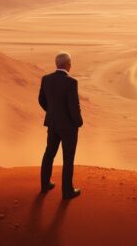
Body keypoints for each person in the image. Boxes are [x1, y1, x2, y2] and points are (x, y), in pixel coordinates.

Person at [39, 52, 83, 200]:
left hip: (52, 124)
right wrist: (78, 122)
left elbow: (41, 100)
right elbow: (74, 106)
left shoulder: (46, 79)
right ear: (67, 64)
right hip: (68, 127)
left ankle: (45, 186)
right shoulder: (71, 82)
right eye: (70, 63)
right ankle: (67, 192)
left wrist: (52, 112)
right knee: (68, 158)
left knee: (49, 153)